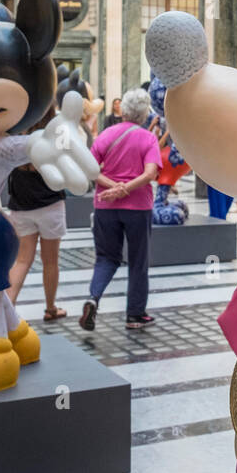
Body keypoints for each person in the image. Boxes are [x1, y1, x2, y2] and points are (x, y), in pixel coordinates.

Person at [79, 88, 160, 331]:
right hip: (138, 207)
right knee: (138, 261)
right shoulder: (148, 138)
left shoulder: (105, 134)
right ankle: (135, 315)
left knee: (106, 257)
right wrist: (125, 188)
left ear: (123, 110)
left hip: (105, 205)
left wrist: (113, 187)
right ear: (145, 113)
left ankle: (93, 297)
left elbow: (90, 169)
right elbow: (150, 173)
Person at [6, 107, 67, 321]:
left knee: (22, 260)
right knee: (51, 261)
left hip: (21, 207)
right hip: (50, 205)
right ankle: (50, 308)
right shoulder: (55, 134)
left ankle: (8, 304)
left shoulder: (16, 134)